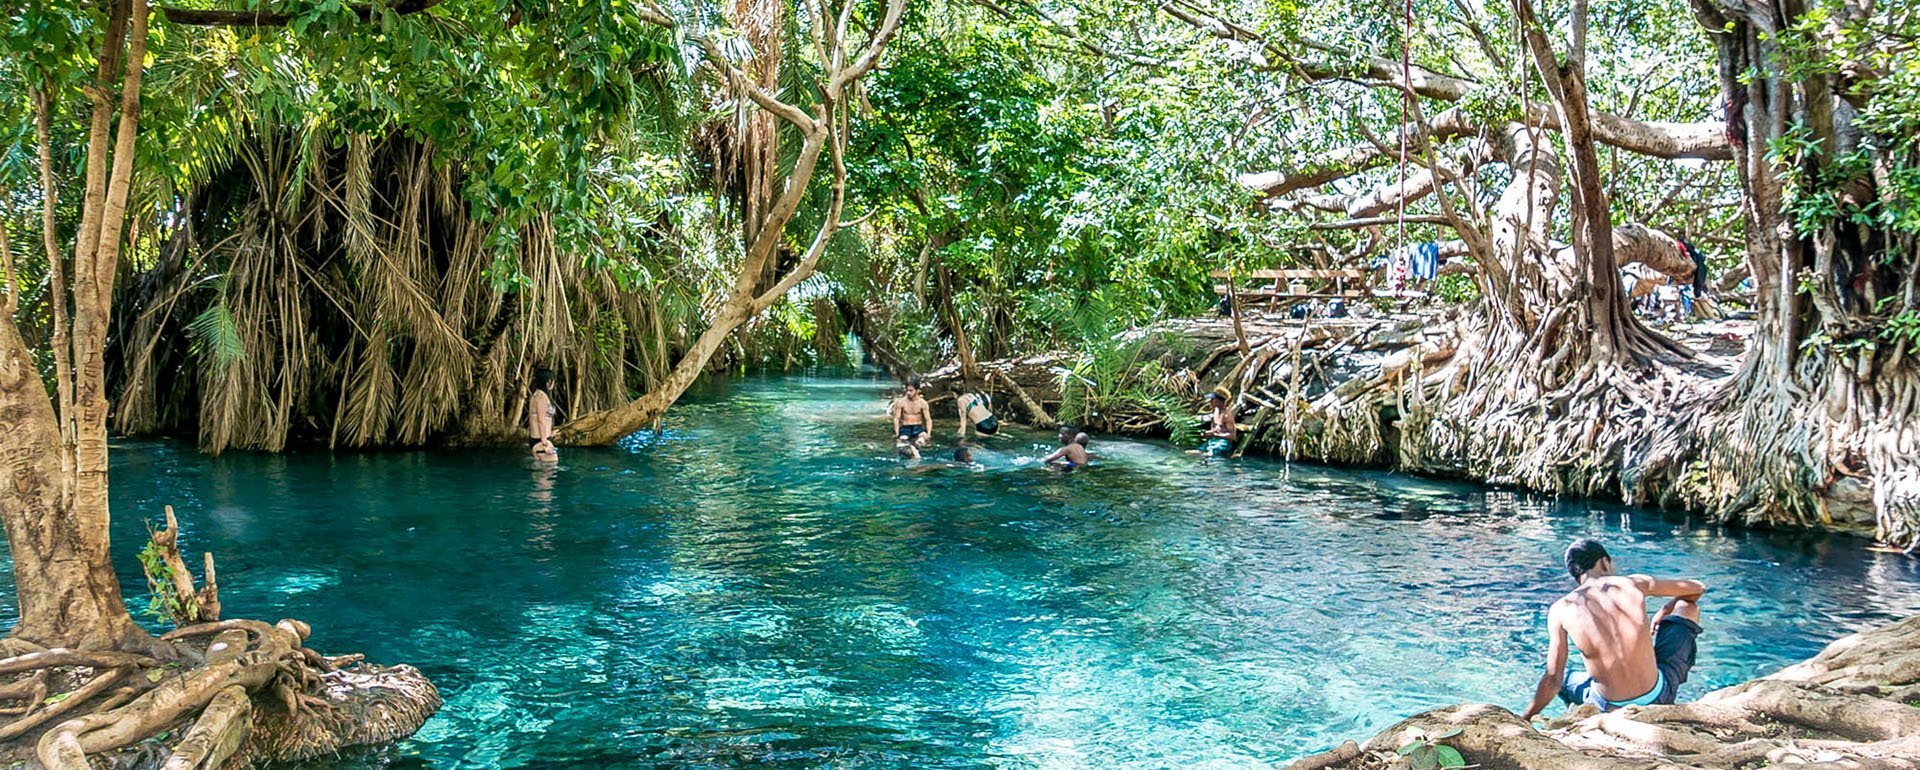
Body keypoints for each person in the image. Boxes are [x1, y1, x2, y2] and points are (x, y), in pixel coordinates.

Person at [1521, 539, 1707, 721]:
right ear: (1604, 562)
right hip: (1658, 698)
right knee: (1687, 606)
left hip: (1607, 708)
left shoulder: (1560, 609)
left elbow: (1553, 679)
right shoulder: (1632, 583)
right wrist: (1666, 609)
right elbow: (1697, 588)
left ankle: (1583, 716)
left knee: (1567, 681)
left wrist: (1526, 718)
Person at [890, 381, 934, 448]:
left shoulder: (923, 403)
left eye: (911, 391)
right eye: (907, 390)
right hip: (905, 428)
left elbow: (928, 419)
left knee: (923, 440)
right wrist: (897, 433)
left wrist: (929, 433)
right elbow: (896, 418)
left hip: (918, 428)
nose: (908, 393)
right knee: (902, 443)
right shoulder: (901, 402)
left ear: (917, 391)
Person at [527, 368, 558, 462]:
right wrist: (545, 443)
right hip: (541, 441)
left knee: (542, 473)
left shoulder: (536, 395)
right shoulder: (541, 398)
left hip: (539, 439)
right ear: (548, 382)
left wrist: (550, 434)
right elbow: (541, 420)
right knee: (551, 467)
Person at [1201, 387, 1237, 457]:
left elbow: (1233, 436)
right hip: (1213, 441)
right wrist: (1208, 433)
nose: (1210, 402)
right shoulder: (1216, 412)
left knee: (1208, 455)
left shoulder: (1226, 415)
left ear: (1218, 401)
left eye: (1212, 400)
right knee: (1194, 452)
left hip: (1223, 443)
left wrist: (1216, 435)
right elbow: (1216, 429)